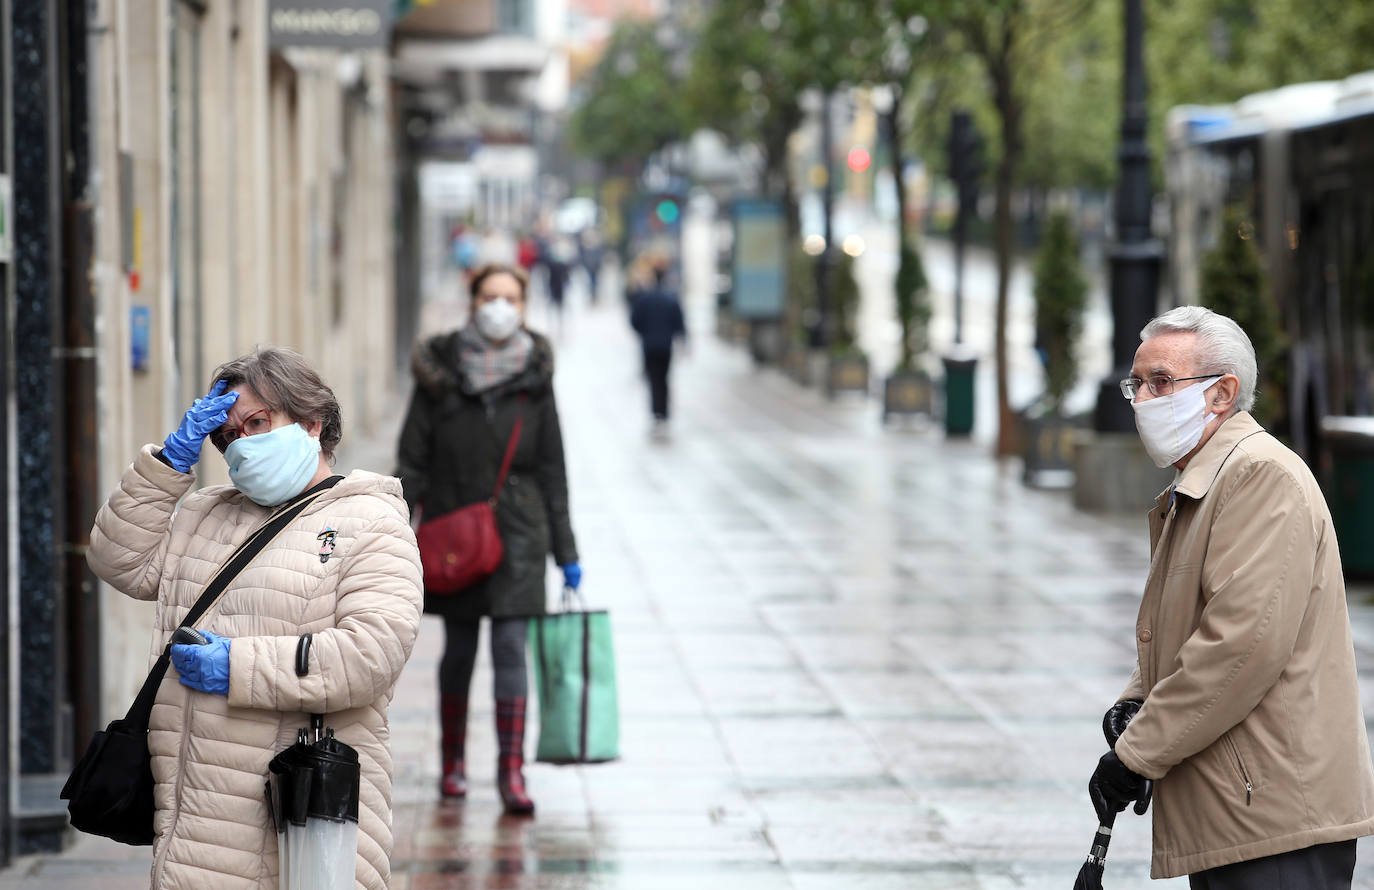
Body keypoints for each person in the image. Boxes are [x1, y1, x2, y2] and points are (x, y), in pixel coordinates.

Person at [86, 347, 423, 890]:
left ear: (312, 422)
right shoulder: (204, 512)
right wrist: (169, 464)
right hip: (192, 819)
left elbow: (372, 654)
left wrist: (237, 666)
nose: (241, 443)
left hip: (297, 816)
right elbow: (118, 561)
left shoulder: (371, 522)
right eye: (228, 436)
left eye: (258, 423)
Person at [1089, 306, 1374, 888]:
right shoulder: (1204, 480)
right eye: (1136, 383)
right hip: (1241, 807)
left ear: (1222, 394)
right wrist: (1136, 700)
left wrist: (1138, 753)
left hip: (1273, 812)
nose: (1143, 399)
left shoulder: (1258, 477)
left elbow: (1240, 647)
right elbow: (1190, 630)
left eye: (1162, 382)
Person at [395, 262, 581, 816]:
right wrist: (389, 531)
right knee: (459, 649)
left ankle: (511, 772)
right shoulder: (439, 376)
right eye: (490, 297)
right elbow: (412, 459)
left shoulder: (535, 379)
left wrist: (566, 553)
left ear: (524, 307)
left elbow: (554, 469)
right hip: (455, 531)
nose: (501, 308)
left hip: (521, 535)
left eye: (512, 299)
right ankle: (453, 764)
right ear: (472, 302)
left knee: (510, 651)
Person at [629, 254, 687, 428]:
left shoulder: (644, 299)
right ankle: (664, 412)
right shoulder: (671, 299)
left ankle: (657, 412)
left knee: (654, 379)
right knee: (664, 378)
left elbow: (634, 321)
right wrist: (682, 341)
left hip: (649, 346)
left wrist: (644, 334)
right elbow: (679, 323)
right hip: (665, 346)